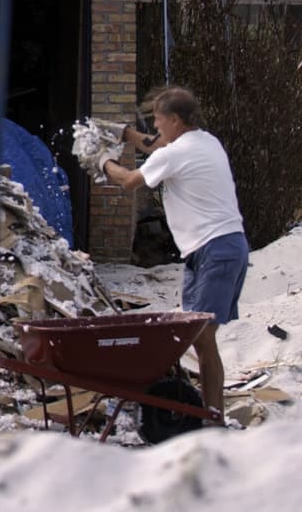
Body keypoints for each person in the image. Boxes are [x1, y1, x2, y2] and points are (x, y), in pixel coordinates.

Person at [95, 86, 248, 423]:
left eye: (159, 120)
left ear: (175, 120)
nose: (155, 127)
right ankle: (206, 413)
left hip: (216, 250)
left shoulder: (175, 154)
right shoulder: (205, 140)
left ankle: (213, 419)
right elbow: (156, 144)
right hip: (216, 249)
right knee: (200, 341)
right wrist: (122, 133)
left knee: (202, 338)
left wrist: (101, 161)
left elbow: (130, 181)